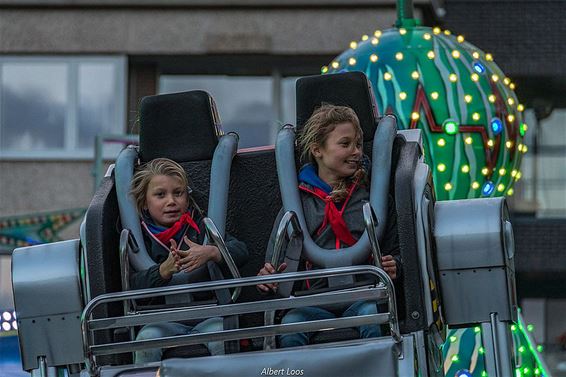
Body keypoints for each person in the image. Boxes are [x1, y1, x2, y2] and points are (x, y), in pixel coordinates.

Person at [257, 104, 401, 348]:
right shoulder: (297, 205)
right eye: (345, 144)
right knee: (291, 327)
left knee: (372, 318)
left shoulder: (372, 199)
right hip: (313, 301)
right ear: (317, 150)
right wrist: (267, 278)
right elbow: (275, 261)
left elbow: (397, 250)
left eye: (358, 144)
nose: (356, 151)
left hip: (362, 296)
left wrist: (395, 264)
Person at [129, 158, 248, 362]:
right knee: (146, 340)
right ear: (144, 203)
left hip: (209, 316)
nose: (171, 202)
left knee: (223, 335)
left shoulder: (202, 227)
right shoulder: (139, 239)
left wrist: (212, 252)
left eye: (178, 193)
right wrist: (162, 272)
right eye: (160, 195)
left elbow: (242, 251)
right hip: (160, 322)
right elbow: (131, 285)